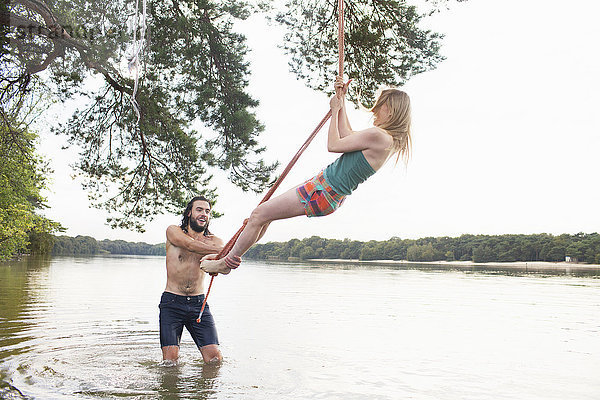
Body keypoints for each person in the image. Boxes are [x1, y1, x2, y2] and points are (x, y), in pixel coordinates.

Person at [201, 77, 411, 275]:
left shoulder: (380, 136)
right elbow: (347, 134)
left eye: (380, 106)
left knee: (258, 216)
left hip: (322, 191)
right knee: (263, 218)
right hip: (324, 191)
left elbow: (334, 144)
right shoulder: (386, 140)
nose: (375, 111)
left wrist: (335, 109)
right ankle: (228, 257)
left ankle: (225, 263)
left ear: (391, 110)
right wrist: (341, 102)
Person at [160, 196, 240, 364]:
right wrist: (225, 250)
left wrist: (229, 260)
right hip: (172, 302)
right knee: (170, 363)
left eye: (207, 211)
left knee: (215, 359)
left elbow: (224, 268)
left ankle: (206, 391)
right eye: (199, 210)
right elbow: (189, 245)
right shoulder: (173, 231)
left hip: (198, 304)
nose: (204, 214)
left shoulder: (215, 241)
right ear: (189, 213)